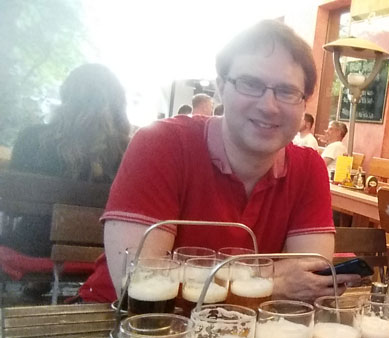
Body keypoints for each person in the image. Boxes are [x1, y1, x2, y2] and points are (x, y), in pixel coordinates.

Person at [78, 20, 362, 303]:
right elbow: (140, 286)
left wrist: (211, 281)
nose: (268, 106)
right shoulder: (161, 144)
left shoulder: (309, 167)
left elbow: (308, 284)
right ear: (222, 87)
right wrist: (273, 282)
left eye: (287, 91)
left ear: (304, 103)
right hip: (110, 322)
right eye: (250, 84)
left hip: (240, 336)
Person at [6, 63, 130, 257]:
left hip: (29, 249)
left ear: (66, 97)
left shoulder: (30, 139)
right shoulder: (129, 154)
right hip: (103, 253)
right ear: (119, 104)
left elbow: (11, 210)